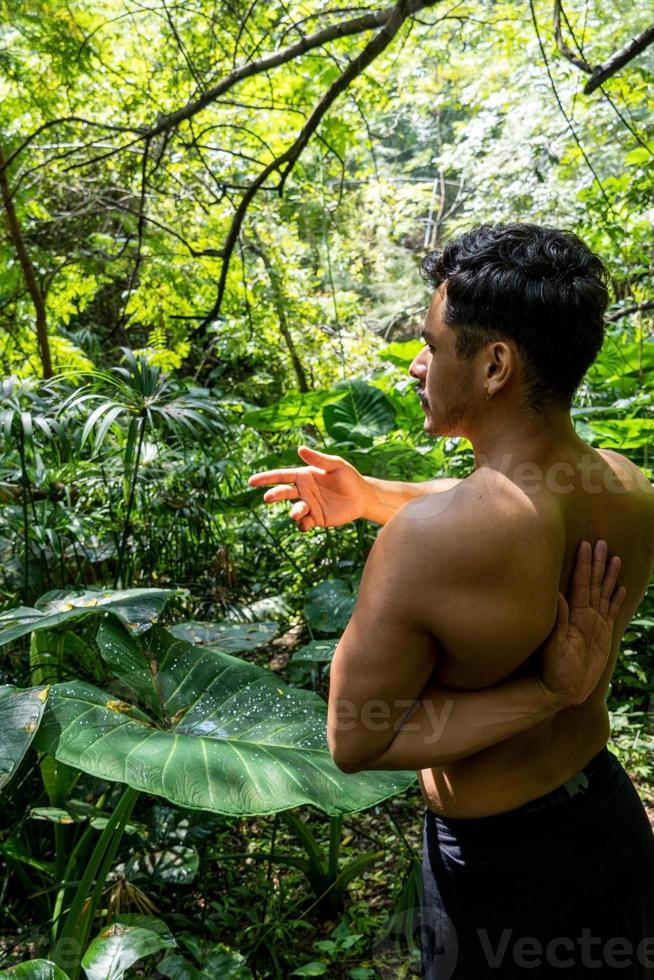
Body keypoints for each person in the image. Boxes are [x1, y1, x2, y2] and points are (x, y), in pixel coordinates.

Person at [248, 223, 654, 978]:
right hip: (607, 824)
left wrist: (543, 692)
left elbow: (355, 741)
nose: (416, 363)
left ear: (496, 364)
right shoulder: (624, 487)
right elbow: (505, 502)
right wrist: (371, 496)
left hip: (505, 875)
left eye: (433, 345)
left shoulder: (430, 544)